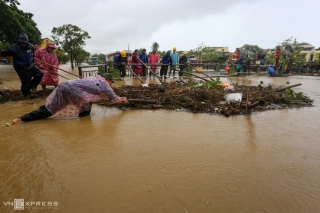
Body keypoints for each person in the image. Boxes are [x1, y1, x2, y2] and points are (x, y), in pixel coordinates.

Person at [11, 73, 129, 124]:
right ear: (107, 80)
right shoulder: (105, 85)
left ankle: (21, 119)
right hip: (74, 92)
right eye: (111, 82)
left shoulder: (94, 79)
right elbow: (114, 98)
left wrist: (119, 97)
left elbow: (112, 96)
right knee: (87, 104)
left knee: (49, 109)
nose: (111, 84)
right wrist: (123, 101)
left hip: (64, 86)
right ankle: (85, 123)